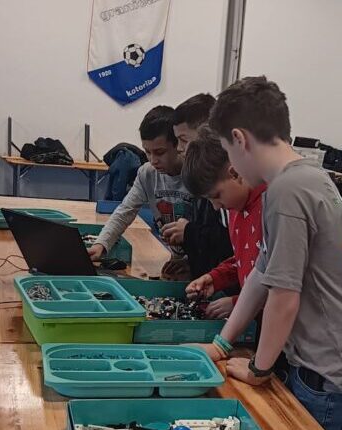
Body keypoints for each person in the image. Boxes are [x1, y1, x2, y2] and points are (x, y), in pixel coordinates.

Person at [202, 76, 342, 430]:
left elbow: (284, 297)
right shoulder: (308, 176)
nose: (232, 167)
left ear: (240, 139)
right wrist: (222, 344)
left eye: (228, 152)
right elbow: (261, 272)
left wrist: (258, 369)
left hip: (330, 367)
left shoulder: (285, 191)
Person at [88, 106, 192, 274]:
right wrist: (101, 244)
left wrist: (191, 262)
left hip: (202, 264)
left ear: (178, 145)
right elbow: (125, 211)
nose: (153, 160)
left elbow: (213, 233)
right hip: (178, 262)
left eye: (160, 152)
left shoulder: (196, 174)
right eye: (147, 152)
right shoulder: (147, 173)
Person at [181, 126, 265, 320]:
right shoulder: (236, 207)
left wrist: (238, 303)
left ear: (235, 173)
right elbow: (247, 260)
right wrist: (216, 278)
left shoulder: (272, 206)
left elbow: (280, 281)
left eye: (216, 195)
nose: (216, 206)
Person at [160, 94, 233, 280]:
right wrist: (190, 262)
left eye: (183, 140)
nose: (179, 148)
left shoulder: (223, 180)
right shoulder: (199, 174)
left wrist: (189, 232)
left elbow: (228, 245)